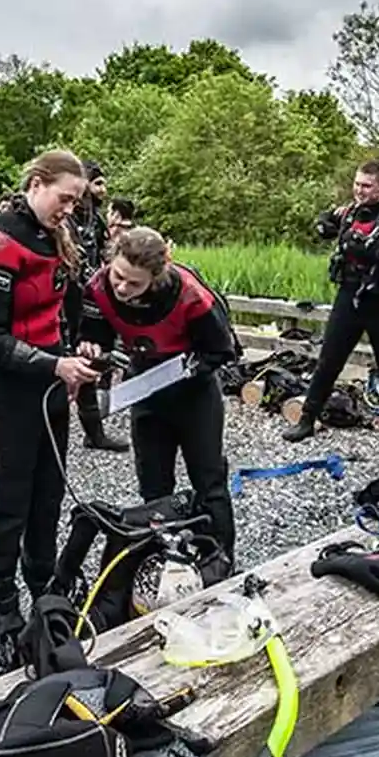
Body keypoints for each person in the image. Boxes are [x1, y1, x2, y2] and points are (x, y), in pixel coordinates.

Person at [0, 150, 102, 668]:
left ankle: (44, 592)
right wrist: (54, 365)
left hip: (48, 386)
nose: (70, 209)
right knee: (9, 506)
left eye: (77, 201)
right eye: (64, 198)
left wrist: (80, 347)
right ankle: (4, 610)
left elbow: (68, 308)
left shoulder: (55, 237)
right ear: (37, 184)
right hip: (4, 393)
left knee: (48, 497)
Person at [81, 227, 240, 564]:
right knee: (153, 485)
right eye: (118, 276)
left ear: (155, 278)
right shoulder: (98, 287)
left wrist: (184, 370)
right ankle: (162, 559)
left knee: (209, 481)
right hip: (145, 387)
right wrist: (92, 348)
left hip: (193, 392)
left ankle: (221, 559)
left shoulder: (190, 295)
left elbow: (223, 350)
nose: (122, 288)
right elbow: (94, 334)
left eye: (134, 283)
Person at [283, 160, 379, 442]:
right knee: (329, 361)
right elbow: (326, 224)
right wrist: (325, 223)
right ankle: (306, 419)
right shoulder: (350, 213)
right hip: (349, 295)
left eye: (367, 186)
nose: (359, 190)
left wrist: (352, 242)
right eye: (357, 184)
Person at [65, 162, 128, 452]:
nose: (104, 189)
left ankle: (94, 432)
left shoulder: (95, 219)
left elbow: (105, 253)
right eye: (98, 183)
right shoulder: (65, 216)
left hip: (88, 298)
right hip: (63, 300)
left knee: (89, 357)